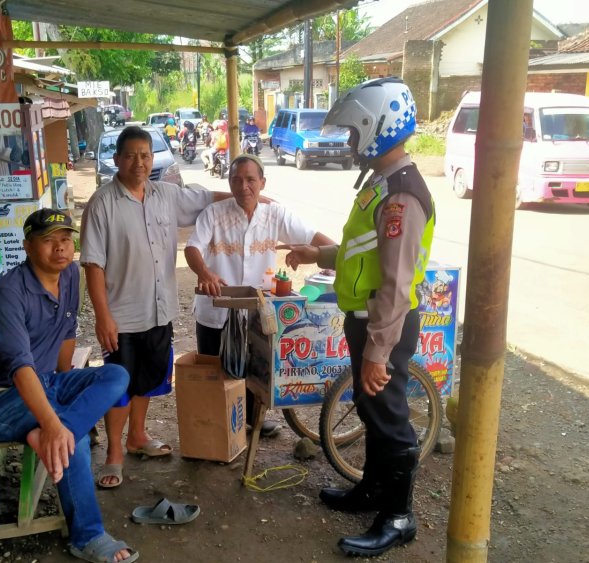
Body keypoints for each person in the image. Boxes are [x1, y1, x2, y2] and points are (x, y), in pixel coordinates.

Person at [279, 77, 435, 557]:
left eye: (353, 132)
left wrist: (378, 351)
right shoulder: (382, 184)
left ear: (377, 127)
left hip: (383, 323)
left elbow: (394, 282)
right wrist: (317, 252)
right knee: (370, 409)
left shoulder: (402, 196)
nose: (348, 141)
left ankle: (399, 516)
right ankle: (371, 489)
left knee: (389, 418)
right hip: (365, 318)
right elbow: (360, 250)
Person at [0, 209, 138, 563]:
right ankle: (87, 537)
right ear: (28, 246)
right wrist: (53, 421)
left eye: (65, 239)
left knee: (116, 375)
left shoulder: (71, 275)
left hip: (46, 383)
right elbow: (19, 369)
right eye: (48, 241)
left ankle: (53, 434)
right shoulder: (10, 292)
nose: (60, 248)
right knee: (66, 433)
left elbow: (66, 335)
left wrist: (62, 391)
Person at [80, 126, 233, 488]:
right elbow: (92, 265)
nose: (139, 162)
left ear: (153, 159)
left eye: (145, 155)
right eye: (131, 155)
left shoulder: (166, 194)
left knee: (147, 379)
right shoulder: (103, 203)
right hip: (121, 315)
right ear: (116, 159)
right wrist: (102, 316)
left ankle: (138, 437)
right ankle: (114, 453)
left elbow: (207, 199)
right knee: (120, 386)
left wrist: (246, 194)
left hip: (159, 310)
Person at [184, 154, 335, 437]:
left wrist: (340, 255)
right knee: (214, 367)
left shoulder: (275, 214)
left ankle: (251, 420)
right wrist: (205, 273)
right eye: (237, 180)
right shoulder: (214, 214)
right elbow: (193, 248)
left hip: (256, 309)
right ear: (229, 183)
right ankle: (217, 426)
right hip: (216, 309)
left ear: (262, 183)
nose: (244, 186)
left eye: (251, 180)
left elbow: (312, 235)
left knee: (256, 365)